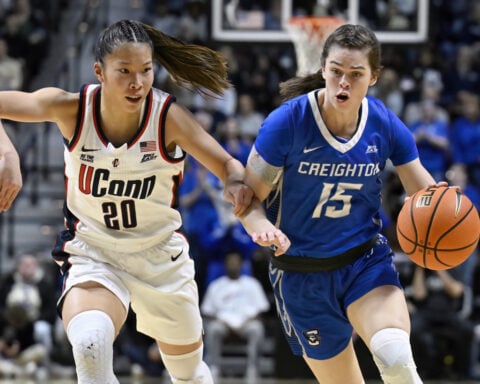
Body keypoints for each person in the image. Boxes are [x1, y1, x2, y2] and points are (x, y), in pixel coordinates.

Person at [0, 19, 254, 384]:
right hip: (95, 251)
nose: (138, 83)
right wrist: (8, 154)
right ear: (99, 72)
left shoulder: (168, 118)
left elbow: (227, 164)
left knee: (189, 374)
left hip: (159, 256)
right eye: (125, 71)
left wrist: (234, 183)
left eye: (146, 71)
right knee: (90, 346)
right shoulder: (71, 109)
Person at [237, 24, 444, 384]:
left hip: (365, 261)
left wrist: (443, 208)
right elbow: (247, 200)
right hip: (301, 274)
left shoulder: (383, 122)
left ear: (374, 77)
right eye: (336, 72)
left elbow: (422, 192)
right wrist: (261, 227)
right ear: (323, 70)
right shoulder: (286, 124)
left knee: (397, 361)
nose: (343, 83)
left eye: (355, 74)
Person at [201, 250, 270, 380]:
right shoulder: (216, 285)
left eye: (236, 262)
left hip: (246, 323)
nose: (233, 265)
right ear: (225, 265)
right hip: (223, 323)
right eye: (230, 262)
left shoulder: (252, 284)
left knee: (257, 328)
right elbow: (207, 311)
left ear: (241, 265)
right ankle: (214, 367)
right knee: (213, 328)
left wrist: (247, 320)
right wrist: (221, 320)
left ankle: (252, 367)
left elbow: (262, 310)